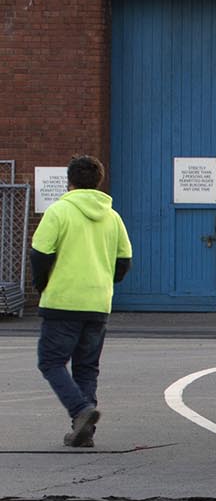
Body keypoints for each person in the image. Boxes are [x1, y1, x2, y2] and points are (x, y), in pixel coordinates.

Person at [31, 155, 132, 448]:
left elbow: (40, 254)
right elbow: (124, 260)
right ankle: (83, 432)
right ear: (99, 181)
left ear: (69, 181)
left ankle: (80, 410)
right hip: (98, 302)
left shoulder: (59, 211)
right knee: (87, 367)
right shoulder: (112, 216)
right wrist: (105, 282)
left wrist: (42, 285)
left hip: (63, 300)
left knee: (51, 362)